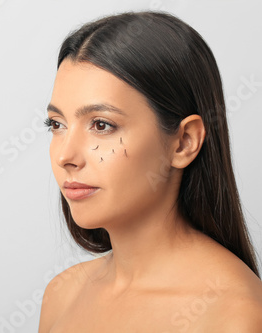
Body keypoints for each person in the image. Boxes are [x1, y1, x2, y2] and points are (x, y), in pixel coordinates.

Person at [38, 10, 262, 332]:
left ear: (184, 142)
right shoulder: (62, 294)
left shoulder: (234, 316)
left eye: (101, 125)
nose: (65, 156)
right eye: (57, 124)